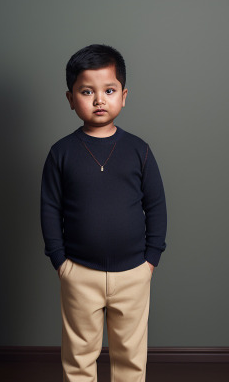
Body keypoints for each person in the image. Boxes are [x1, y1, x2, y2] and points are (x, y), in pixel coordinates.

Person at [40, 44, 167, 382]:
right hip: (79, 272)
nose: (99, 99)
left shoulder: (139, 150)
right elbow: (50, 208)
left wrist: (151, 259)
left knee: (130, 356)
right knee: (79, 356)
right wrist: (60, 262)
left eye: (108, 90)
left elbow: (155, 205)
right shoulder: (61, 153)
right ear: (70, 98)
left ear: (123, 96)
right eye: (87, 91)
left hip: (134, 273)